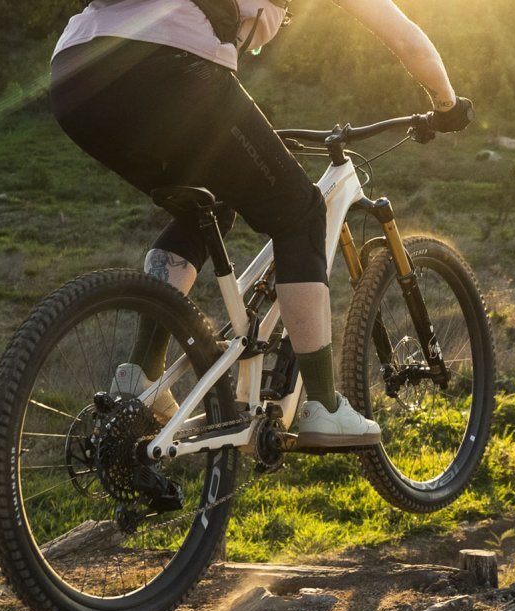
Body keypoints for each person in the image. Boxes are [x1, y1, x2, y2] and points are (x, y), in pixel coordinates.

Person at [49, 0, 465, 448]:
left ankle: (138, 380)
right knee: (302, 213)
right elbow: (402, 33)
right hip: (169, 67)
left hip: (75, 77)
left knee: (207, 206)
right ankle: (323, 406)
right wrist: (446, 102)